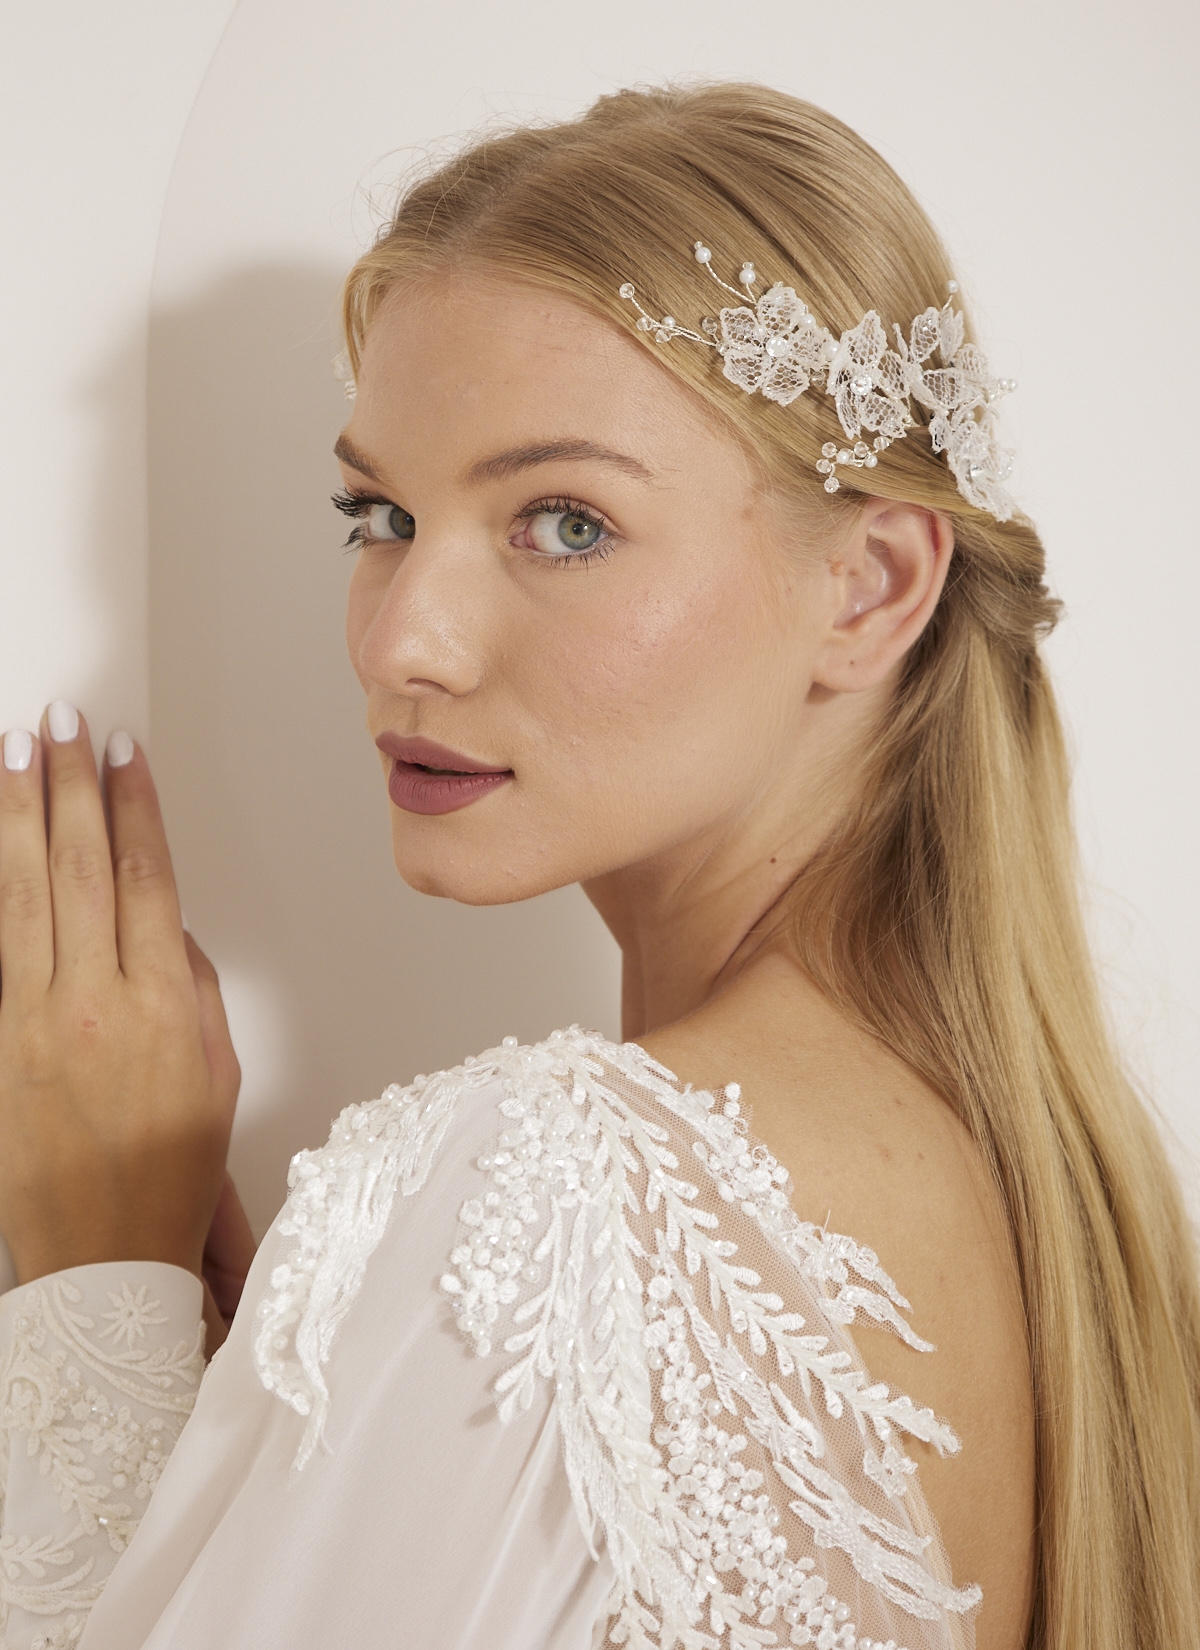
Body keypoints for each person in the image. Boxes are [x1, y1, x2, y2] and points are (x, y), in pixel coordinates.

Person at [0, 81, 1196, 1650]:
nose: (403, 640)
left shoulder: (554, 1189)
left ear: (868, 586)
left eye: (564, 523)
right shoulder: (1066, 1210)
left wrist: (98, 1282)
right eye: (379, 512)